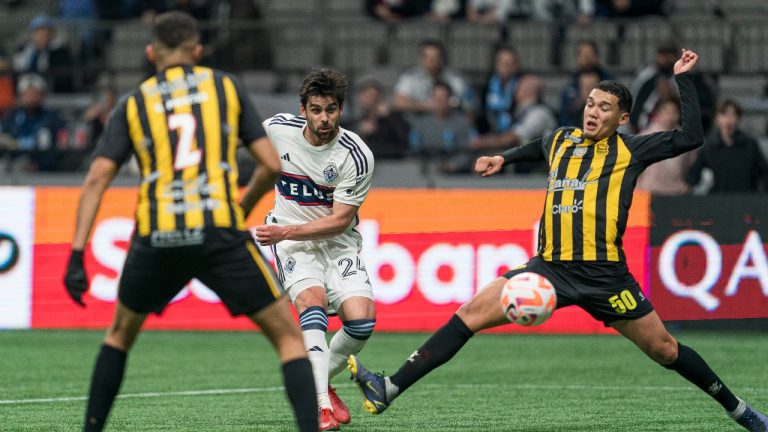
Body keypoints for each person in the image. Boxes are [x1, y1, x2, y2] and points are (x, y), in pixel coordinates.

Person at [348, 49, 768, 432]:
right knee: (470, 313)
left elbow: (691, 136)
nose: (593, 112)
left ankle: (740, 411)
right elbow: (537, 146)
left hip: (606, 278)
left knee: (666, 350)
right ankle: (389, 388)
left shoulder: (632, 151)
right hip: (548, 268)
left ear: (622, 119)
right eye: (590, 103)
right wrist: (503, 158)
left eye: (604, 107)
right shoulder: (562, 139)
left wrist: (684, 80)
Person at [60, 12, 318, 432]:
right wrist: (240, 207)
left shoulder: (134, 102)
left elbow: (96, 179)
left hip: (156, 234)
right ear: (198, 52)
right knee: (289, 339)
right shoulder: (224, 87)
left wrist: (76, 254)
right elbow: (270, 164)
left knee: (119, 335)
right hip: (218, 230)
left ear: (150, 53)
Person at [247, 68, 376, 431]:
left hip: (336, 242)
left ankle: (323, 381)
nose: (324, 119)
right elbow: (245, 145)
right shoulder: (277, 129)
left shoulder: (356, 155)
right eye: (317, 110)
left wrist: (285, 228)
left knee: (362, 323)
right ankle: (319, 407)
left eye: (331, 110)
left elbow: (338, 221)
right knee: (312, 304)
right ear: (302, 109)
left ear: (341, 109)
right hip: (291, 245)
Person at [686, 99, 768, 194]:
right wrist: (686, 186)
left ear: (738, 119)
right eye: (724, 114)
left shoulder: (750, 145)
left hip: (746, 199)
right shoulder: (709, 147)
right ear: (717, 119)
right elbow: (694, 175)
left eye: (733, 115)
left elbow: (765, 173)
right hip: (720, 200)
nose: (729, 119)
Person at [0, 73, 66, 171]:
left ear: (42, 96)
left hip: (42, 167)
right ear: (20, 96)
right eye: (27, 94)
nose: (30, 98)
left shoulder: (53, 118)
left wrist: (40, 165)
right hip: (13, 163)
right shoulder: (11, 117)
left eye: (35, 94)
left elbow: (61, 148)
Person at [392, 40, 475, 117]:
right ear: (421, 59)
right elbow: (399, 102)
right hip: (418, 120)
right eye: (428, 57)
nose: (432, 61)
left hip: (449, 121)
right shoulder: (410, 77)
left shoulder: (455, 78)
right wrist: (425, 106)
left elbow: (470, 104)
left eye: (436, 57)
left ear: (442, 59)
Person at [409, 81, 473, 173]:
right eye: (437, 99)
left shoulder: (462, 123)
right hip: (424, 170)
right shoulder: (420, 123)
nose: (440, 103)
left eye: (443, 99)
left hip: (454, 173)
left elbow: (468, 152)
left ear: (450, 99)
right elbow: (413, 149)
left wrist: (453, 165)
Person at [636, 97, 696, 195]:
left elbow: (691, 164)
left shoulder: (686, 139)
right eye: (666, 112)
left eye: (674, 112)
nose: (670, 116)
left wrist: (687, 184)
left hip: (676, 192)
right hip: (649, 192)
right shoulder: (644, 137)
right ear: (658, 113)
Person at [349, 79, 410, 160]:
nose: (372, 100)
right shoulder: (356, 120)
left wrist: (389, 117)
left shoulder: (393, 117)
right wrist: (361, 132)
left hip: (391, 160)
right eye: (368, 96)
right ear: (361, 98)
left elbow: (403, 140)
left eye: (375, 96)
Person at [12, 15, 74, 93]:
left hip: (47, 87)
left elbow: (60, 76)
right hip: (24, 85)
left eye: (47, 32)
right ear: (32, 34)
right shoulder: (22, 49)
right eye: (39, 32)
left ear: (52, 35)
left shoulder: (60, 52)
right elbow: (17, 68)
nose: (43, 35)